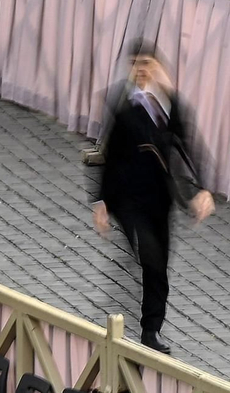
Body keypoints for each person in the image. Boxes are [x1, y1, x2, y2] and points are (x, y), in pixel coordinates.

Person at [91, 42, 215, 355]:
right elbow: (111, 155)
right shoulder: (124, 106)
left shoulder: (169, 105)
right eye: (135, 64)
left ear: (158, 66)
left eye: (147, 63)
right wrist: (101, 201)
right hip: (128, 198)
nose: (141, 70)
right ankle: (144, 318)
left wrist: (202, 189)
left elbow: (188, 146)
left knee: (158, 269)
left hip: (160, 199)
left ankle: (151, 330)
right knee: (150, 255)